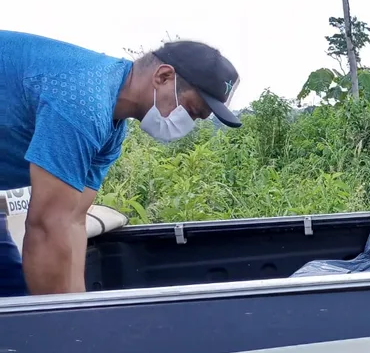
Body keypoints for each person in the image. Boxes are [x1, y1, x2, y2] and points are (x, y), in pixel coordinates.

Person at [0, 30, 243, 297]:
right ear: (163, 77)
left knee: (14, 296)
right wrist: (63, 320)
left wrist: (80, 308)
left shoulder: (111, 131)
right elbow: (48, 226)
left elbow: (73, 221)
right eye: (191, 111)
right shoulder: (83, 102)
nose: (188, 123)